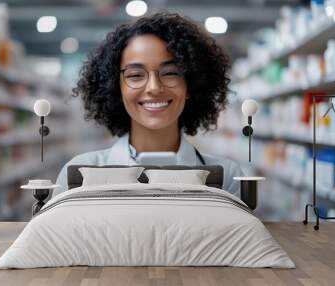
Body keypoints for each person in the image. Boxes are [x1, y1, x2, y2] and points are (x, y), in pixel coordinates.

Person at [54, 12, 244, 197]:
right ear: (116, 88)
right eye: (135, 75)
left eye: (170, 73)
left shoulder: (227, 177)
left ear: (191, 85)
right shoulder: (79, 175)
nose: (154, 88)